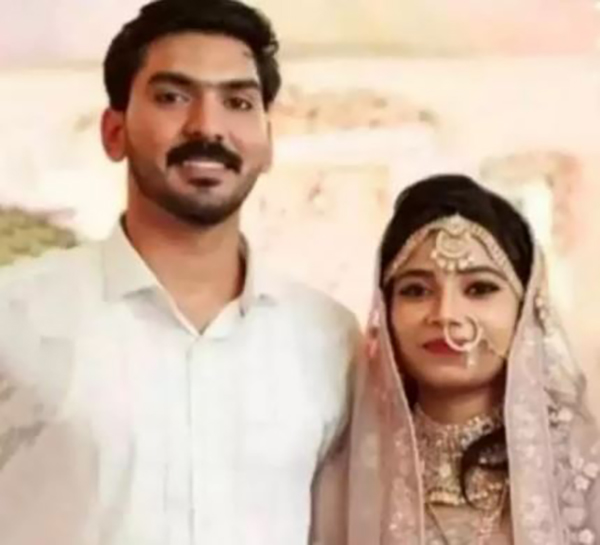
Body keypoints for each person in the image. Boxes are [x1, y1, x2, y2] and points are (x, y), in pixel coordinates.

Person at [0, 1, 359, 544]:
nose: (207, 126)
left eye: (238, 102)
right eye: (172, 97)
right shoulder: (16, 316)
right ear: (114, 132)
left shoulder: (327, 338)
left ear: (267, 142)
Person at [319, 174, 600, 544]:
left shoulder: (582, 474)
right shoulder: (346, 476)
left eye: (480, 288)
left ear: (527, 310)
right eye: (416, 290)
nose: (446, 315)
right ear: (385, 313)